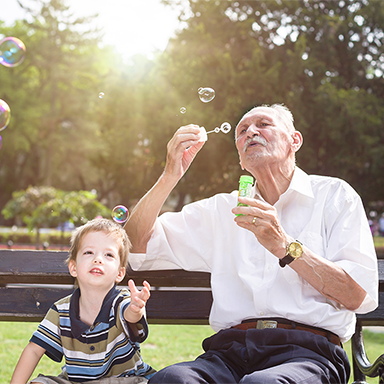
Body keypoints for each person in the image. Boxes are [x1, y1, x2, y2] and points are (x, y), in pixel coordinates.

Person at [124, 104, 378, 384]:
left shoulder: (334, 196)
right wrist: (170, 174)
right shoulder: (221, 210)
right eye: (242, 131)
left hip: (309, 352)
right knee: (171, 380)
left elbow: (356, 295)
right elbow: (135, 244)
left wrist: (284, 245)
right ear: (242, 161)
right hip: (230, 352)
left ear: (295, 140)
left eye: (264, 124)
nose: (251, 132)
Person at [11, 218, 156, 384]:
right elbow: (34, 351)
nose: (98, 259)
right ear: (73, 267)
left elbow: (129, 314)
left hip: (123, 380)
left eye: (108, 255)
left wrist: (136, 309)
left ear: (119, 273)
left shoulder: (121, 301)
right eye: (89, 252)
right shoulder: (61, 310)